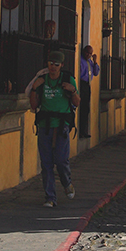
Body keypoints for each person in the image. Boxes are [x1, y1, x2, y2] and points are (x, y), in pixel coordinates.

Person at [28, 51, 80, 207]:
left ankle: (66, 182)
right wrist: (34, 90)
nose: (53, 67)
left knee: (61, 160)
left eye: (56, 64)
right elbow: (33, 105)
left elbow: (77, 103)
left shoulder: (68, 79)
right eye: (51, 63)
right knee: (46, 163)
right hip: (45, 125)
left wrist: (73, 90)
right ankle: (50, 197)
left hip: (62, 126)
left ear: (61, 65)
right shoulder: (41, 81)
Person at [78, 45, 100, 139]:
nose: (88, 55)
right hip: (81, 84)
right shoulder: (81, 61)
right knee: (82, 108)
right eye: (87, 52)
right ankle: (80, 131)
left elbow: (96, 72)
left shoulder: (90, 62)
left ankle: (84, 130)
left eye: (90, 53)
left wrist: (95, 62)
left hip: (87, 85)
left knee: (86, 109)